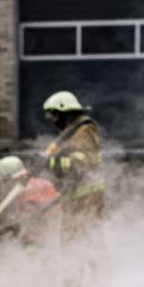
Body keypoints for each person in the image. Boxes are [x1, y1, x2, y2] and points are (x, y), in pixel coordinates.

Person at [41, 90, 105, 238]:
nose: (54, 121)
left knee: (81, 240)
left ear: (66, 113)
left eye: (56, 115)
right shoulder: (73, 133)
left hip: (86, 196)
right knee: (76, 240)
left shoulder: (84, 132)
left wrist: (49, 163)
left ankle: (89, 262)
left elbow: (78, 165)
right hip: (78, 195)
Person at [0, 155, 60, 247]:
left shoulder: (28, 192)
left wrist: (17, 229)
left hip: (40, 243)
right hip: (54, 237)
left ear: (10, 177)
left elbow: (30, 221)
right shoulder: (41, 183)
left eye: (4, 179)